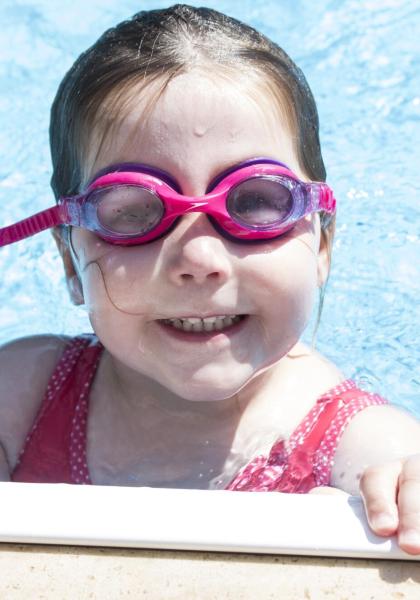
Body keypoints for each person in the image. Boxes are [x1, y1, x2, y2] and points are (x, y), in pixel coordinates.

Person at [0, 4, 419, 554]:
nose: (199, 257)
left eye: (257, 203)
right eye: (130, 211)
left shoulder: (360, 446)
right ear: (69, 261)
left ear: (321, 242)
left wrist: (402, 493)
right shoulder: (22, 395)